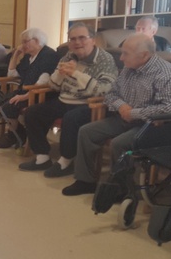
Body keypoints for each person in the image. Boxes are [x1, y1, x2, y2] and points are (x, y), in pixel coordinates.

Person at [62, 33, 171, 195]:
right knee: (87, 131)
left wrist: (134, 113)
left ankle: (121, 188)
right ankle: (86, 181)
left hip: (151, 125)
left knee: (119, 143)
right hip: (123, 117)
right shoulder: (128, 68)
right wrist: (122, 106)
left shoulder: (167, 73)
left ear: (144, 55)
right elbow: (111, 93)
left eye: (126, 54)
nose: (121, 59)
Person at [18, 23, 118, 173]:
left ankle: (66, 160)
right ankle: (42, 157)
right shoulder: (68, 56)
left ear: (93, 40)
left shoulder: (105, 59)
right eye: (73, 39)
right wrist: (60, 73)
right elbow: (53, 85)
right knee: (33, 112)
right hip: (65, 99)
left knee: (71, 118)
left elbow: (105, 90)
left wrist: (75, 73)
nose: (77, 42)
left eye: (82, 38)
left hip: (89, 104)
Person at [0, 28, 60, 149]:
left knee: (10, 105)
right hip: (25, 91)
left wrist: (24, 96)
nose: (23, 45)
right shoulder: (29, 56)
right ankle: (18, 132)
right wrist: (16, 54)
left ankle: (13, 134)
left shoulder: (48, 56)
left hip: (41, 94)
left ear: (37, 41)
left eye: (25, 41)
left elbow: (42, 82)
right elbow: (12, 74)